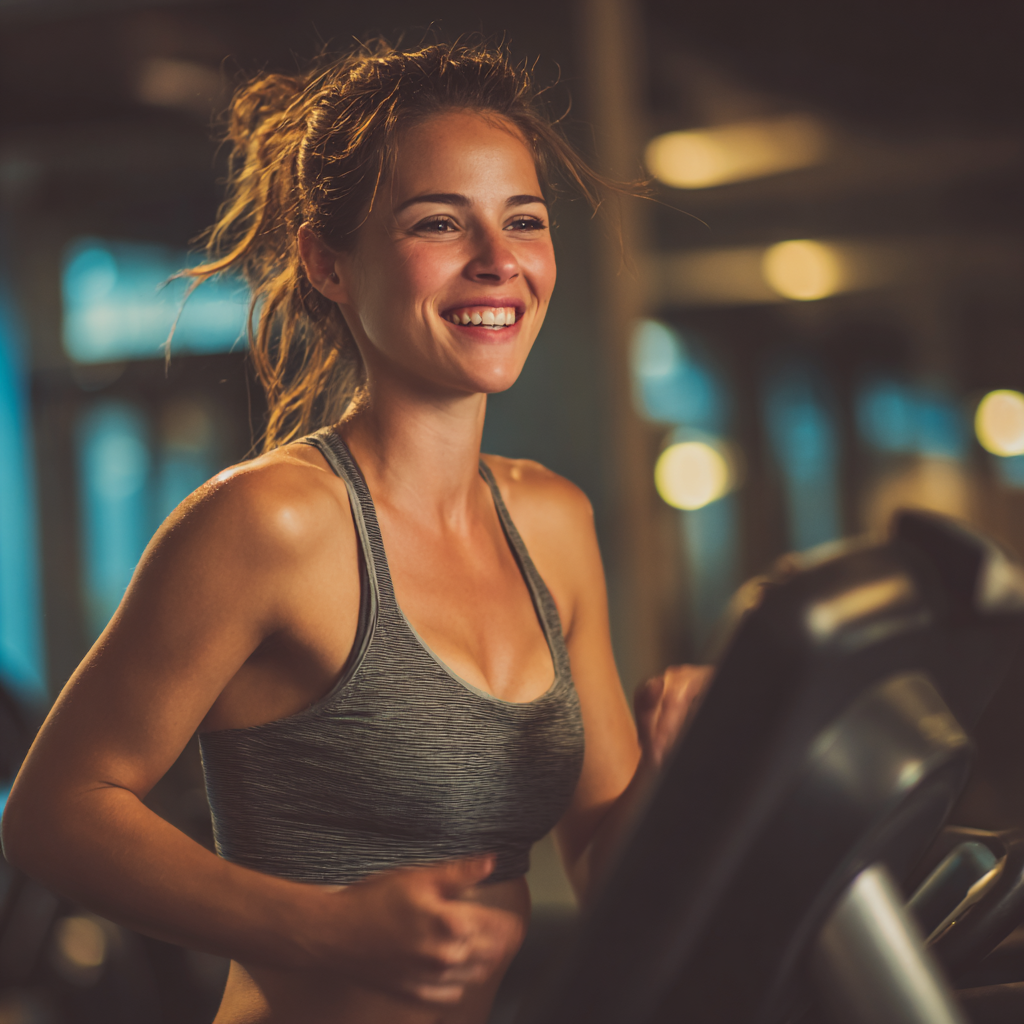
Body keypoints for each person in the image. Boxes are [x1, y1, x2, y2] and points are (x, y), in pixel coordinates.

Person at [1, 39, 710, 1024]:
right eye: (438, 222)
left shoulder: (553, 521)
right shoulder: (268, 522)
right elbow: (52, 813)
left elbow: (603, 867)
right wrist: (321, 926)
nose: (499, 262)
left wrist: (687, 767)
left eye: (524, 221)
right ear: (326, 262)